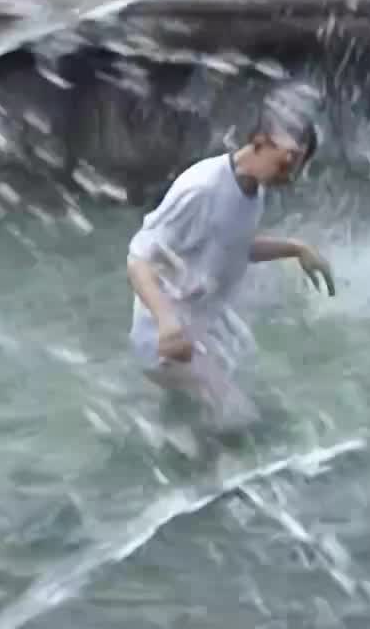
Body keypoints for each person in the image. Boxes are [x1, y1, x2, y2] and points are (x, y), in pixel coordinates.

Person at [124, 83, 336, 431]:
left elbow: (234, 246)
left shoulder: (253, 190)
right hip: (164, 337)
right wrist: (166, 323)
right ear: (260, 142)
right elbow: (138, 259)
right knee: (239, 420)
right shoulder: (202, 188)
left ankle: (168, 437)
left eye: (300, 167)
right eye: (288, 163)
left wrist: (297, 249)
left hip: (200, 329)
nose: (292, 177)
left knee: (217, 416)